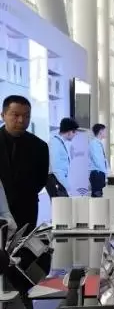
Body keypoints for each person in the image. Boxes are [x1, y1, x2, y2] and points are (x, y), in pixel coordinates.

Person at [0, 95, 49, 230]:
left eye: (26, 116)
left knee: (26, 243)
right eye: (15, 115)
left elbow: (41, 180)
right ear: (3, 115)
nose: (21, 120)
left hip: (26, 210)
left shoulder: (40, 146)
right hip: (0, 212)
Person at [48, 117, 79, 195]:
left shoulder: (59, 142)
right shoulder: (55, 144)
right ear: (69, 132)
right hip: (55, 179)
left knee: (63, 201)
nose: (76, 134)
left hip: (58, 179)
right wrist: (67, 185)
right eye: (74, 132)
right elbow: (56, 168)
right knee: (62, 202)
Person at [88, 123, 108, 197]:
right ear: (100, 131)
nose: (106, 132)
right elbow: (98, 160)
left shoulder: (99, 143)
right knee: (97, 198)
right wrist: (105, 172)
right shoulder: (94, 144)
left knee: (99, 196)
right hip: (97, 173)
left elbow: (103, 159)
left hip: (99, 172)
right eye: (105, 131)